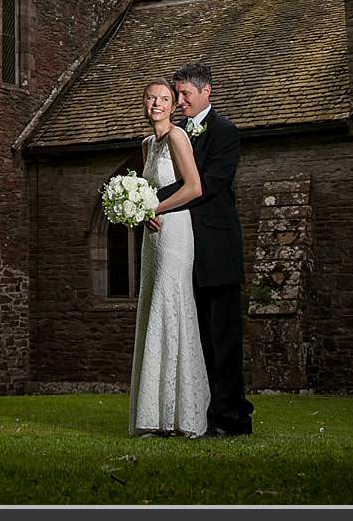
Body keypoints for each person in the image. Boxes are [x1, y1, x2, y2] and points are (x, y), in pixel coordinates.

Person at [149, 62, 255, 437]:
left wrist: (148, 201)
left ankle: (233, 418)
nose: (179, 102)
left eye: (184, 95)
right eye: (176, 95)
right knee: (198, 338)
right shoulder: (177, 134)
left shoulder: (225, 131)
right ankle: (202, 412)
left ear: (206, 91)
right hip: (182, 249)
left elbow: (207, 185)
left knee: (222, 338)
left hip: (216, 248)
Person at [128, 80, 209, 436]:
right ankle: (154, 414)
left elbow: (194, 187)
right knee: (152, 307)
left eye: (164, 99)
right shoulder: (147, 144)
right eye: (150, 98)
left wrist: (155, 207)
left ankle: (183, 416)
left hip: (175, 232)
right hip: (152, 236)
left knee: (170, 306)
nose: (156, 104)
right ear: (143, 103)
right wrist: (138, 211)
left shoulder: (178, 137)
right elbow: (146, 189)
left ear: (174, 106)